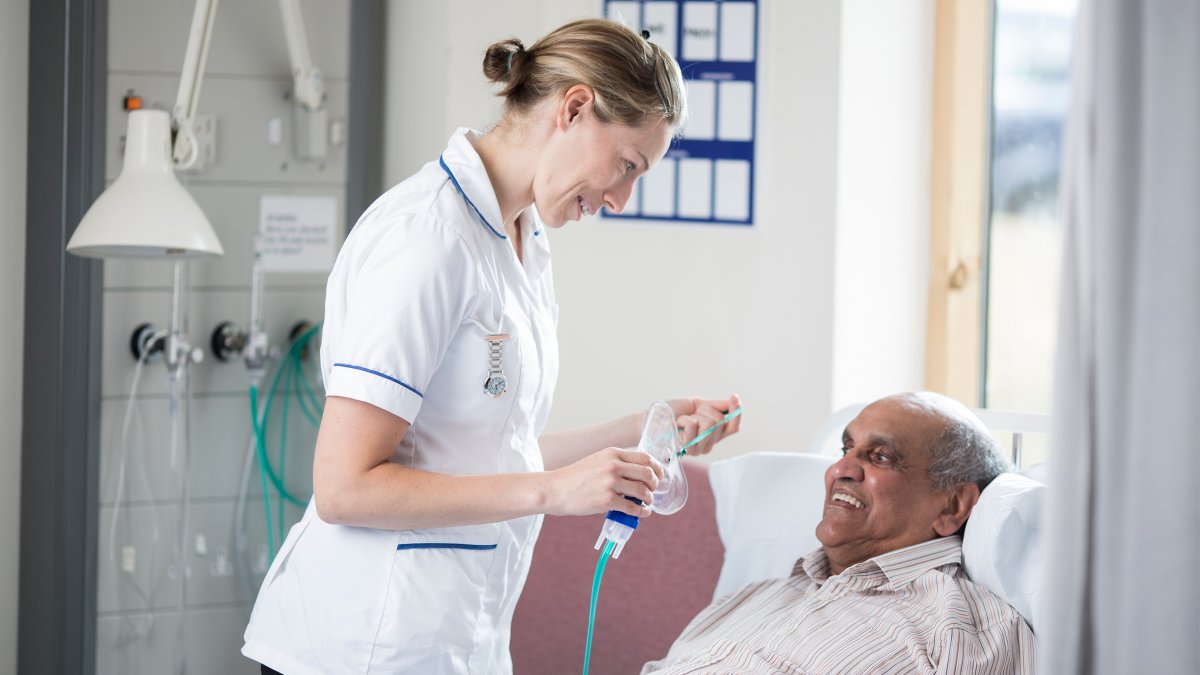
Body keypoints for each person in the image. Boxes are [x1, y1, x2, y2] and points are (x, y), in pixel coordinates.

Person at [241, 18, 742, 675]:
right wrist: (553, 492)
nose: (622, 198)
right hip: (359, 644)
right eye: (627, 165)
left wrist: (642, 428)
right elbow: (343, 486)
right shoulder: (427, 239)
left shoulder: (524, 240)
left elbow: (492, 448)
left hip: (457, 643)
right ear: (574, 107)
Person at [642, 392, 1036, 674]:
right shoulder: (758, 594)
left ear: (951, 507)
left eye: (881, 456)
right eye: (845, 449)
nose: (840, 470)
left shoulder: (965, 634)